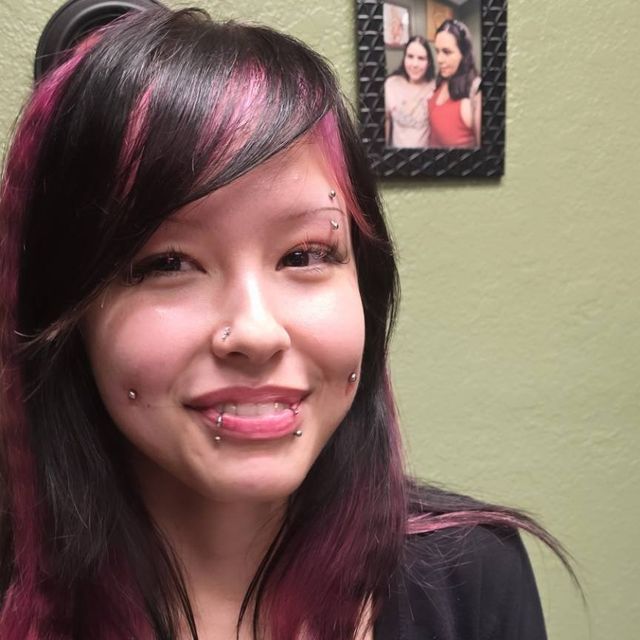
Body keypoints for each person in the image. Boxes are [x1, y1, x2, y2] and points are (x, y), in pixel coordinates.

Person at [0, 7, 574, 639]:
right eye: (167, 263)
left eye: (305, 255)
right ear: (68, 314)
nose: (256, 332)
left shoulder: (474, 577)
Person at [429, 19, 482, 148]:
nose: (439, 59)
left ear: (464, 54)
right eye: (437, 51)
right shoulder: (442, 79)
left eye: (447, 52)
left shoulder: (476, 91)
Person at [384, 36, 436, 148]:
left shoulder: (435, 88)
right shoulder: (391, 84)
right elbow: (386, 121)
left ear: (429, 62)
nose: (414, 64)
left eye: (421, 58)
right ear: (404, 58)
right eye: (410, 56)